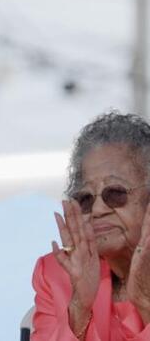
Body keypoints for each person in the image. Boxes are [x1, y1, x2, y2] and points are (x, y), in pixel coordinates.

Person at [33, 112, 150, 340]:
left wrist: (145, 303)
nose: (97, 210)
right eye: (85, 199)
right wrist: (78, 308)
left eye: (115, 193)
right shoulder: (57, 274)